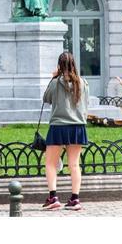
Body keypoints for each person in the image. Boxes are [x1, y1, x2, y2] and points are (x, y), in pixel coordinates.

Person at [42, 51, 90, 211]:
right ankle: (75, 199)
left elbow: (46, 98)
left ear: (59, 66)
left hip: (58, 125)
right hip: (77, 126)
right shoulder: (83, 83)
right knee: (74, 164)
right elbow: (86, 103)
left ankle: (53, 196)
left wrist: (53, 77)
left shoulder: (56, 83)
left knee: (50, 162)